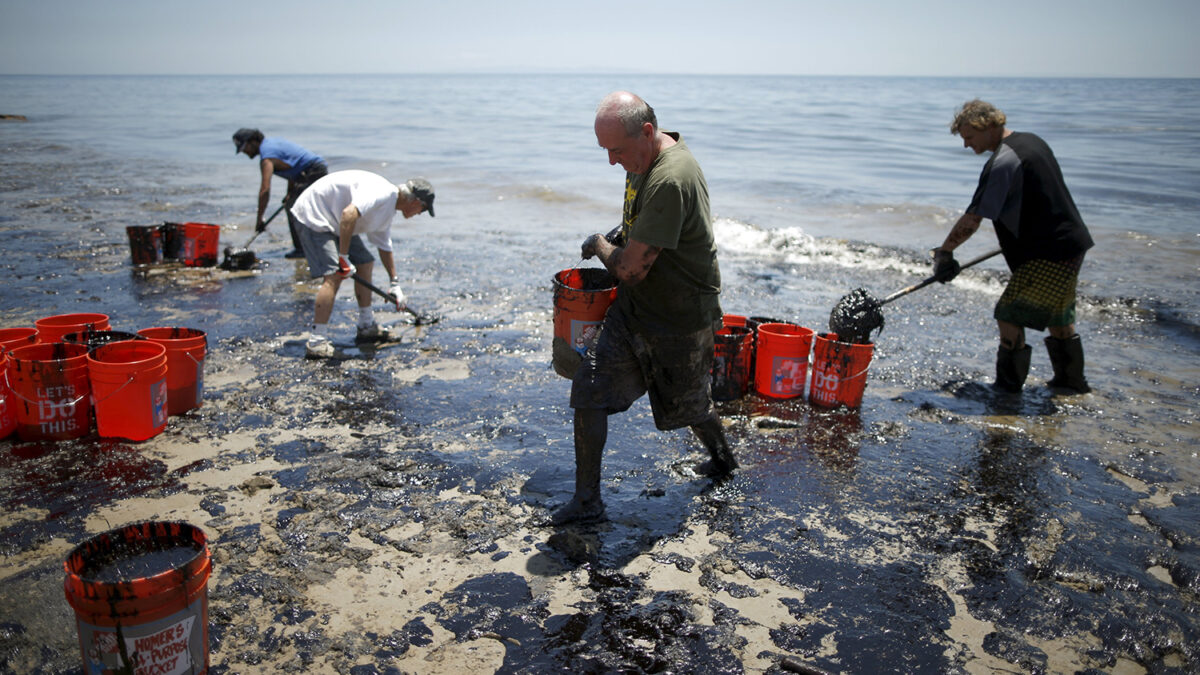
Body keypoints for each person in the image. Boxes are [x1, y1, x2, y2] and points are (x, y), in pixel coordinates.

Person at [546, 91, 736, 526]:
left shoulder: (671, 178)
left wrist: (599, 244)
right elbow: (642, 225)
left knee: (690, 406)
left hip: (679, 317)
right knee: (589, 392)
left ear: (647, 132)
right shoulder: (643, 156)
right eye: (605, 150)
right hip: (635, 310)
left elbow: (630, 271)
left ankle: (725, 462)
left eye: (617, 150)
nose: (612, 161)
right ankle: (588, 502)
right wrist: (623, 233)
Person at [933, 100, 1094, 393]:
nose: (967, 145)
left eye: (969, 137)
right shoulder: (1032, 142)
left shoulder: (1004, 162)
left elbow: (973, 218)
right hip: (1070, 242)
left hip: (1049, 251)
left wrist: (945, 252)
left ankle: (1007, 389)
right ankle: (1071, 383)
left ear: (989, 126)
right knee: (1058, 315)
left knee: (1008, 314)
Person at [289, 169, 436, 359]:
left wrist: (395, 284)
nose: (420, 214)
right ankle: (317, 342)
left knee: (365, 262)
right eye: (423, 210)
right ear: (416, 202)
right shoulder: (383, 194)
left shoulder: (388, 209)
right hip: (315, 214)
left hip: (335, 220)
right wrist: (343, 257)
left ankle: (367, 326)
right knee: (335, 274)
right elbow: (349, 214)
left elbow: (384, 246)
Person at [233, 128, 329, 258]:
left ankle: (303, 249)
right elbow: (293, 167)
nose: (244, 152)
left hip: (313, 171)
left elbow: (265, 190)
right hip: (309, 172)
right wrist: (290, 192)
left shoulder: (267, 157)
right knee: (294, 205)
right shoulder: (271, 145)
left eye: (244, 147)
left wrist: (259, 219)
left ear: (253, 141)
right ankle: (311, 245)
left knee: (294, 209)